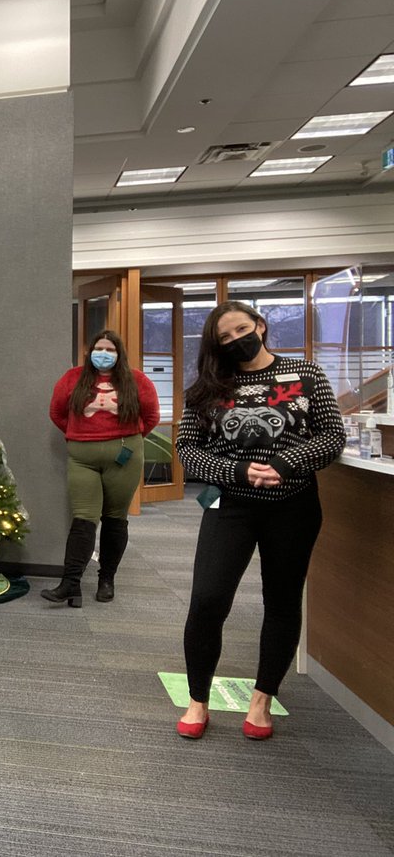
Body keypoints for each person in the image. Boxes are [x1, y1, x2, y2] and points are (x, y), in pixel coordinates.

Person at [174, 301, 344, 741]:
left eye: (241, 330)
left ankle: (262, 700)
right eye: (224, 338)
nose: (235, 341)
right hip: (227, 503)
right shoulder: (207, 387)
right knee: (208, 599)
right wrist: (236, 471)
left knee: (283, 600)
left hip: (293, 503)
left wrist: (286, 463)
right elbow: (188, 450)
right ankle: (198, 700)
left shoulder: (306, 375)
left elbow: (332, 436)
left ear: (261, 327)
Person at [45, 329, 160, 607]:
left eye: (110, 350)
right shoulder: (72, 378)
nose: (104, 354)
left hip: (125, 456)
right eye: (99, 349)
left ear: (119, 353)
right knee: (84, 517)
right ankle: (70, 583)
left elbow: (152, 415)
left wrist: (129, 438)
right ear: (90, 351)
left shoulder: (136, 380)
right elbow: (57, 413)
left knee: (115, 517)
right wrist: (79, 434)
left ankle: (106, 579)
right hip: (81, 458)